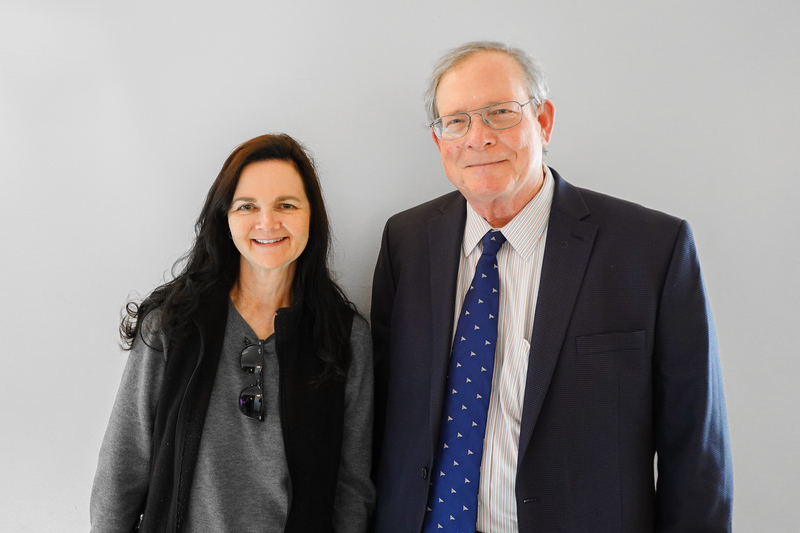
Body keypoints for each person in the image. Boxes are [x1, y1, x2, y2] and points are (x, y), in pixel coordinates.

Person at [371, 42, 732, 532]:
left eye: (500, 112)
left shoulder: (652, 249)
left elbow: (696, 453)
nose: (478, 138)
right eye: (456, 121)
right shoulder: (406, 242)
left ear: (543, 121)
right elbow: (384, 415)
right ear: (440, 142)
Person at [91, 133, 375, 532]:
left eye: (286, 205)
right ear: (225, 217)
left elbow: (351, 487)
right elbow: (123, 466)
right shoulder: (172, 325)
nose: (267, 222)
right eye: (247, 206)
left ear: (312, 216)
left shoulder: (344, 337)